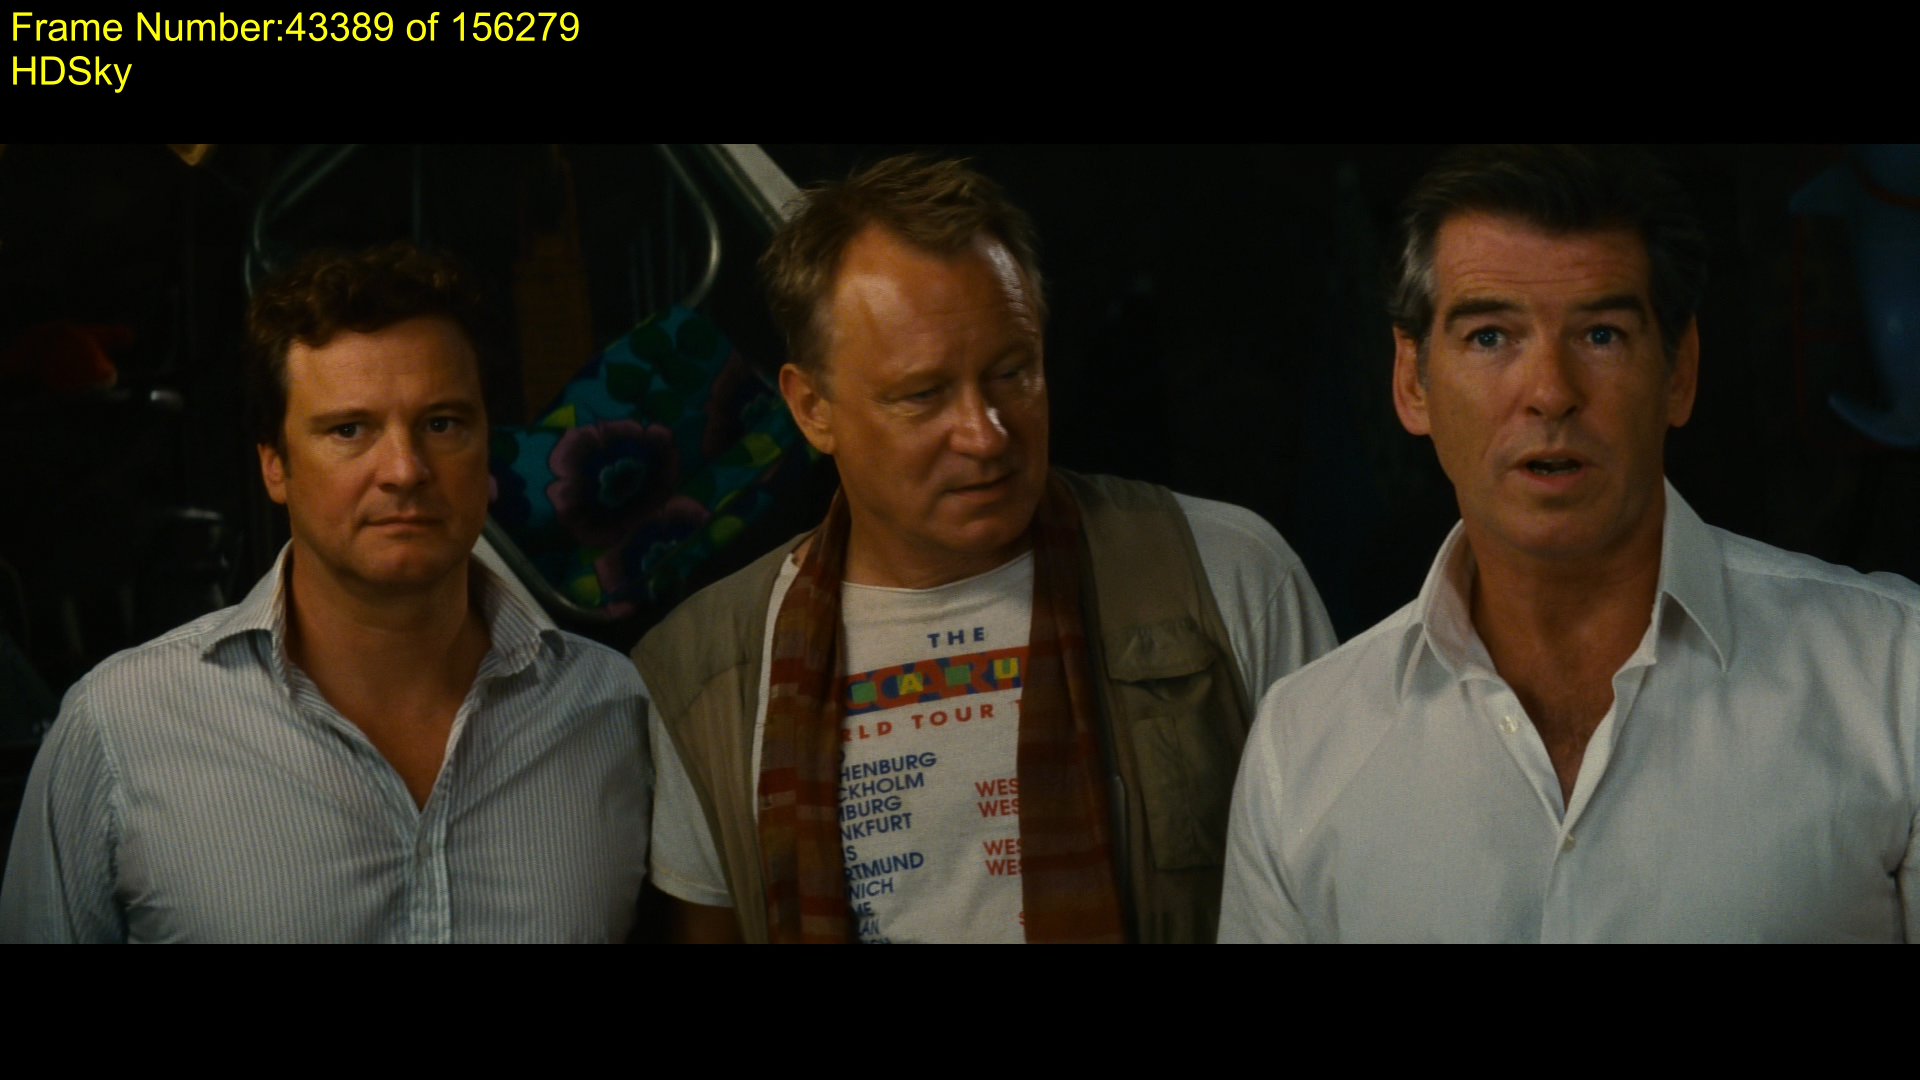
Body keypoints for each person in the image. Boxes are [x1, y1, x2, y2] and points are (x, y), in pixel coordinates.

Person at [1220, 145, 1920, 943]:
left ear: (1679, 372)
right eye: (1490, 337)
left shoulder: (1892, 677)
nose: (1551, 392)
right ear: (1412, 382)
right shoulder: (1302, 744)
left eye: (1601, 334)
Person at [637, 155, 1336, 943]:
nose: (985, 434)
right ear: (812, 408)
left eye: (1012, 373)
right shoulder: (711, 672)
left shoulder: (1225, 576)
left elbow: (1345, 887)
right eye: (923, 394)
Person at [0, 244, 651, 942]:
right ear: (274, 466)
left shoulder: (610, 709)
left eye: (442, 423)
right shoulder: (120, 728)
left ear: (487, 442)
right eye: (349, 430)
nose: (404, 469)